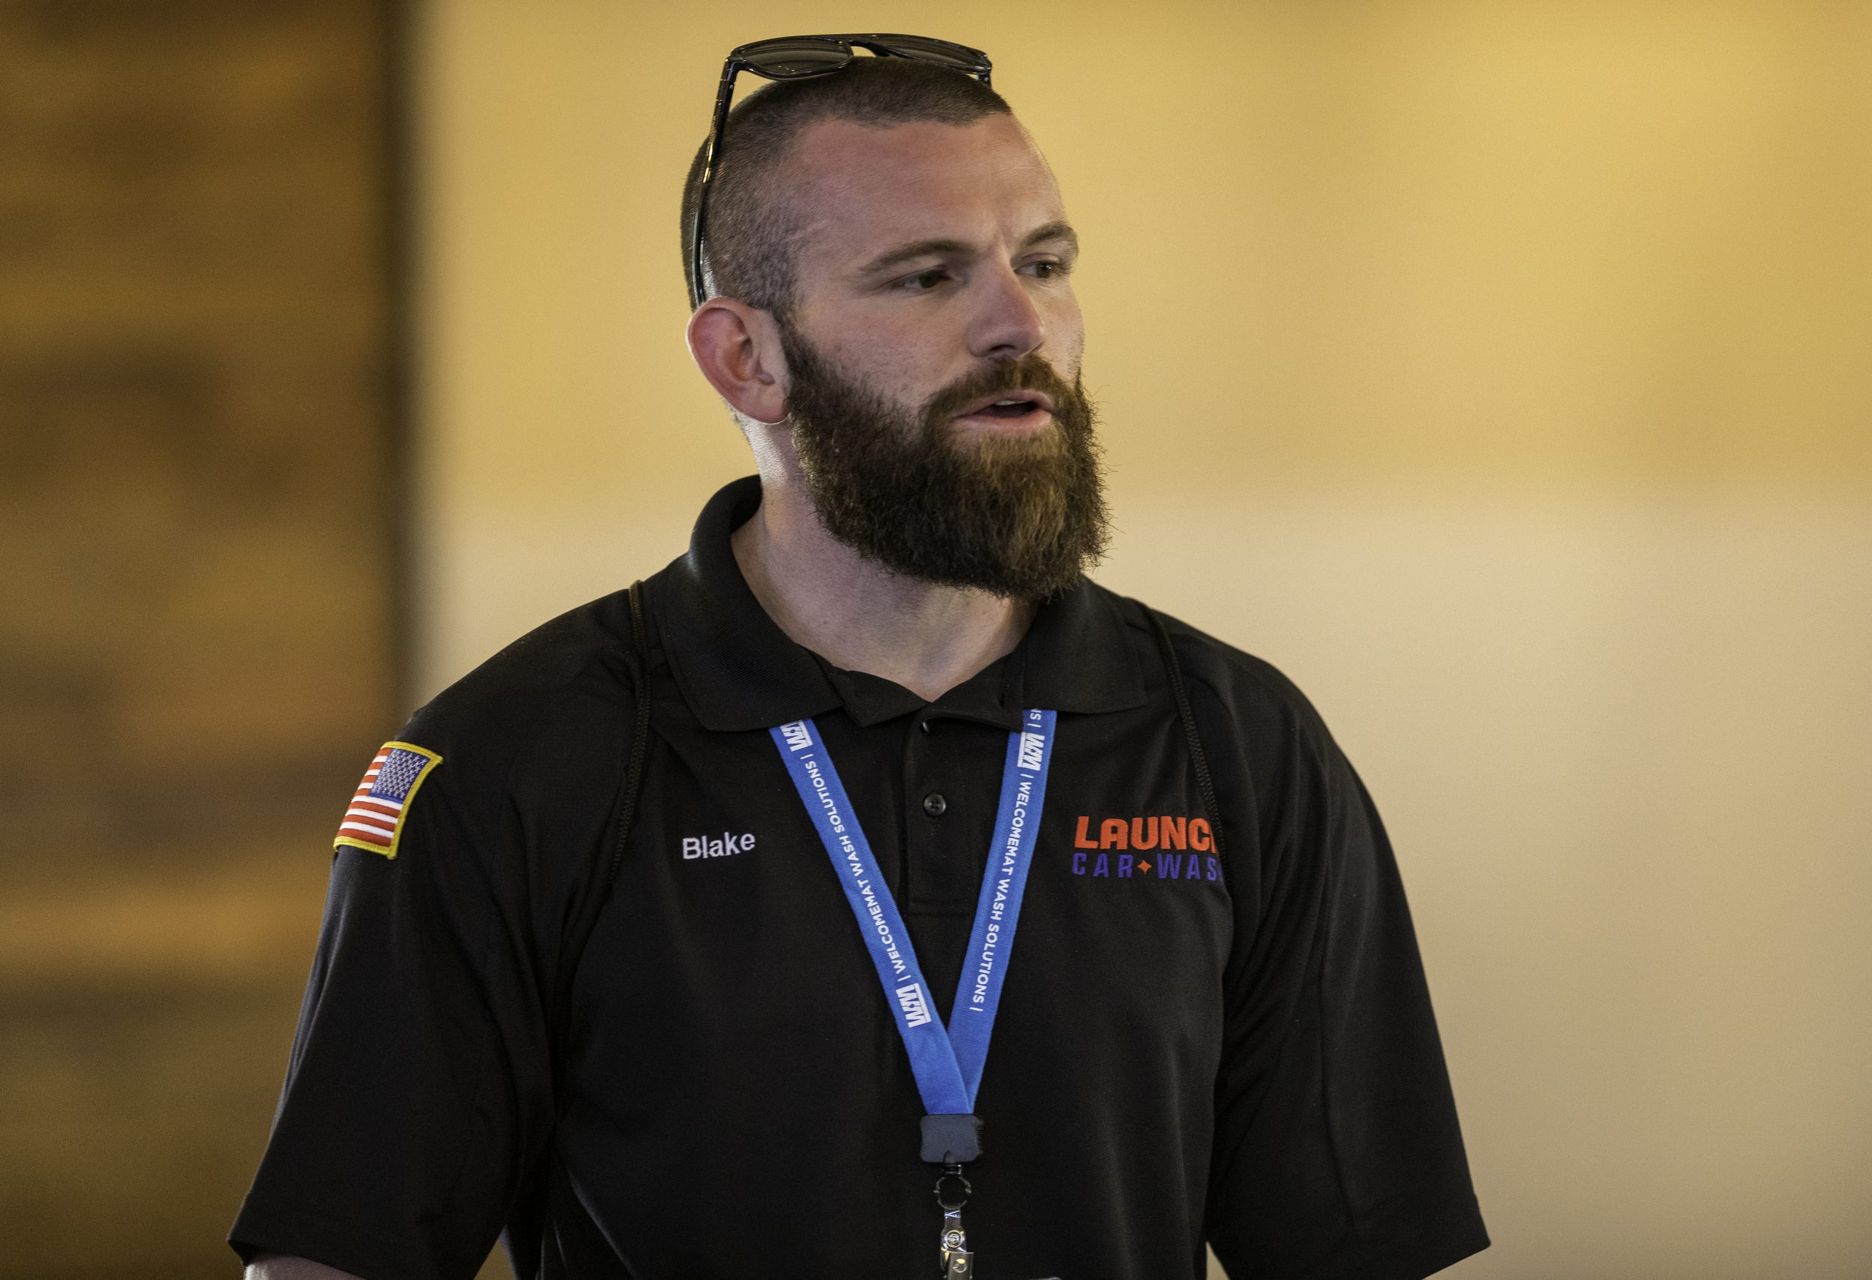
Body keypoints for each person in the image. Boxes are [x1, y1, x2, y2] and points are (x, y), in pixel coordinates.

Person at [232, 35, 1488, 1280]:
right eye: (927, 277)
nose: (1019, 323)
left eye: (1044, 263)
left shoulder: (1235, 741)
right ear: (747, 358)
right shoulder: (517, 757)